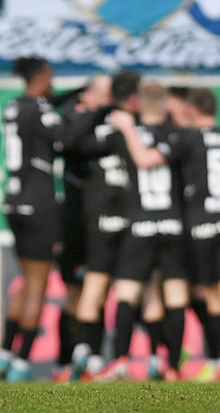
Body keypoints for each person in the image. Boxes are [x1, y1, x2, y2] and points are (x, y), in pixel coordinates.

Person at [70, 71, 165, 381]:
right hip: (133, 217)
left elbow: (73, 146)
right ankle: (155, 358)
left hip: (101, 216)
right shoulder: (138, 127)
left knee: (94, 289)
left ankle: (87, 355)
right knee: (144, 288)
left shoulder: (99, 126)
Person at [96, 82, 189, 382]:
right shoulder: (177, 134)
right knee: (173, 296)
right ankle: (172, 366)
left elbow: (139, 158)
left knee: (127, 293)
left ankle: (121, 359)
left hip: (141, 223)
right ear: (165, 103)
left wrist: (125, 127)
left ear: (136, 101)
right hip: (173, 224)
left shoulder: (127, 132)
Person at [0, 56, 63, 382]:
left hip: (14, 202)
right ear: (42, 75)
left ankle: (4, 356)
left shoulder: (14, 106)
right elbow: (65, 138)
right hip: (38, 203)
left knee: (26, 279)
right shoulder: (40, 109)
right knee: (38, 282)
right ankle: (22, 363)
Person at [178, 88, 220, 381]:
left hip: (201, 224)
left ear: (192, 110)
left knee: (213, 299)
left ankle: (217, 358)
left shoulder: (187, 140)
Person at [51, 74, 112, 382]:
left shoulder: (114, 122)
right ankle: (65, 361)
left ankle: (93, 358)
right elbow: (72, 143)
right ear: (86, 97)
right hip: (74, 221)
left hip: (104, 221)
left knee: (98, 291)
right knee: (74, 294)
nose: (107, 101)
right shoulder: (73, 120)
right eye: (102, 94)